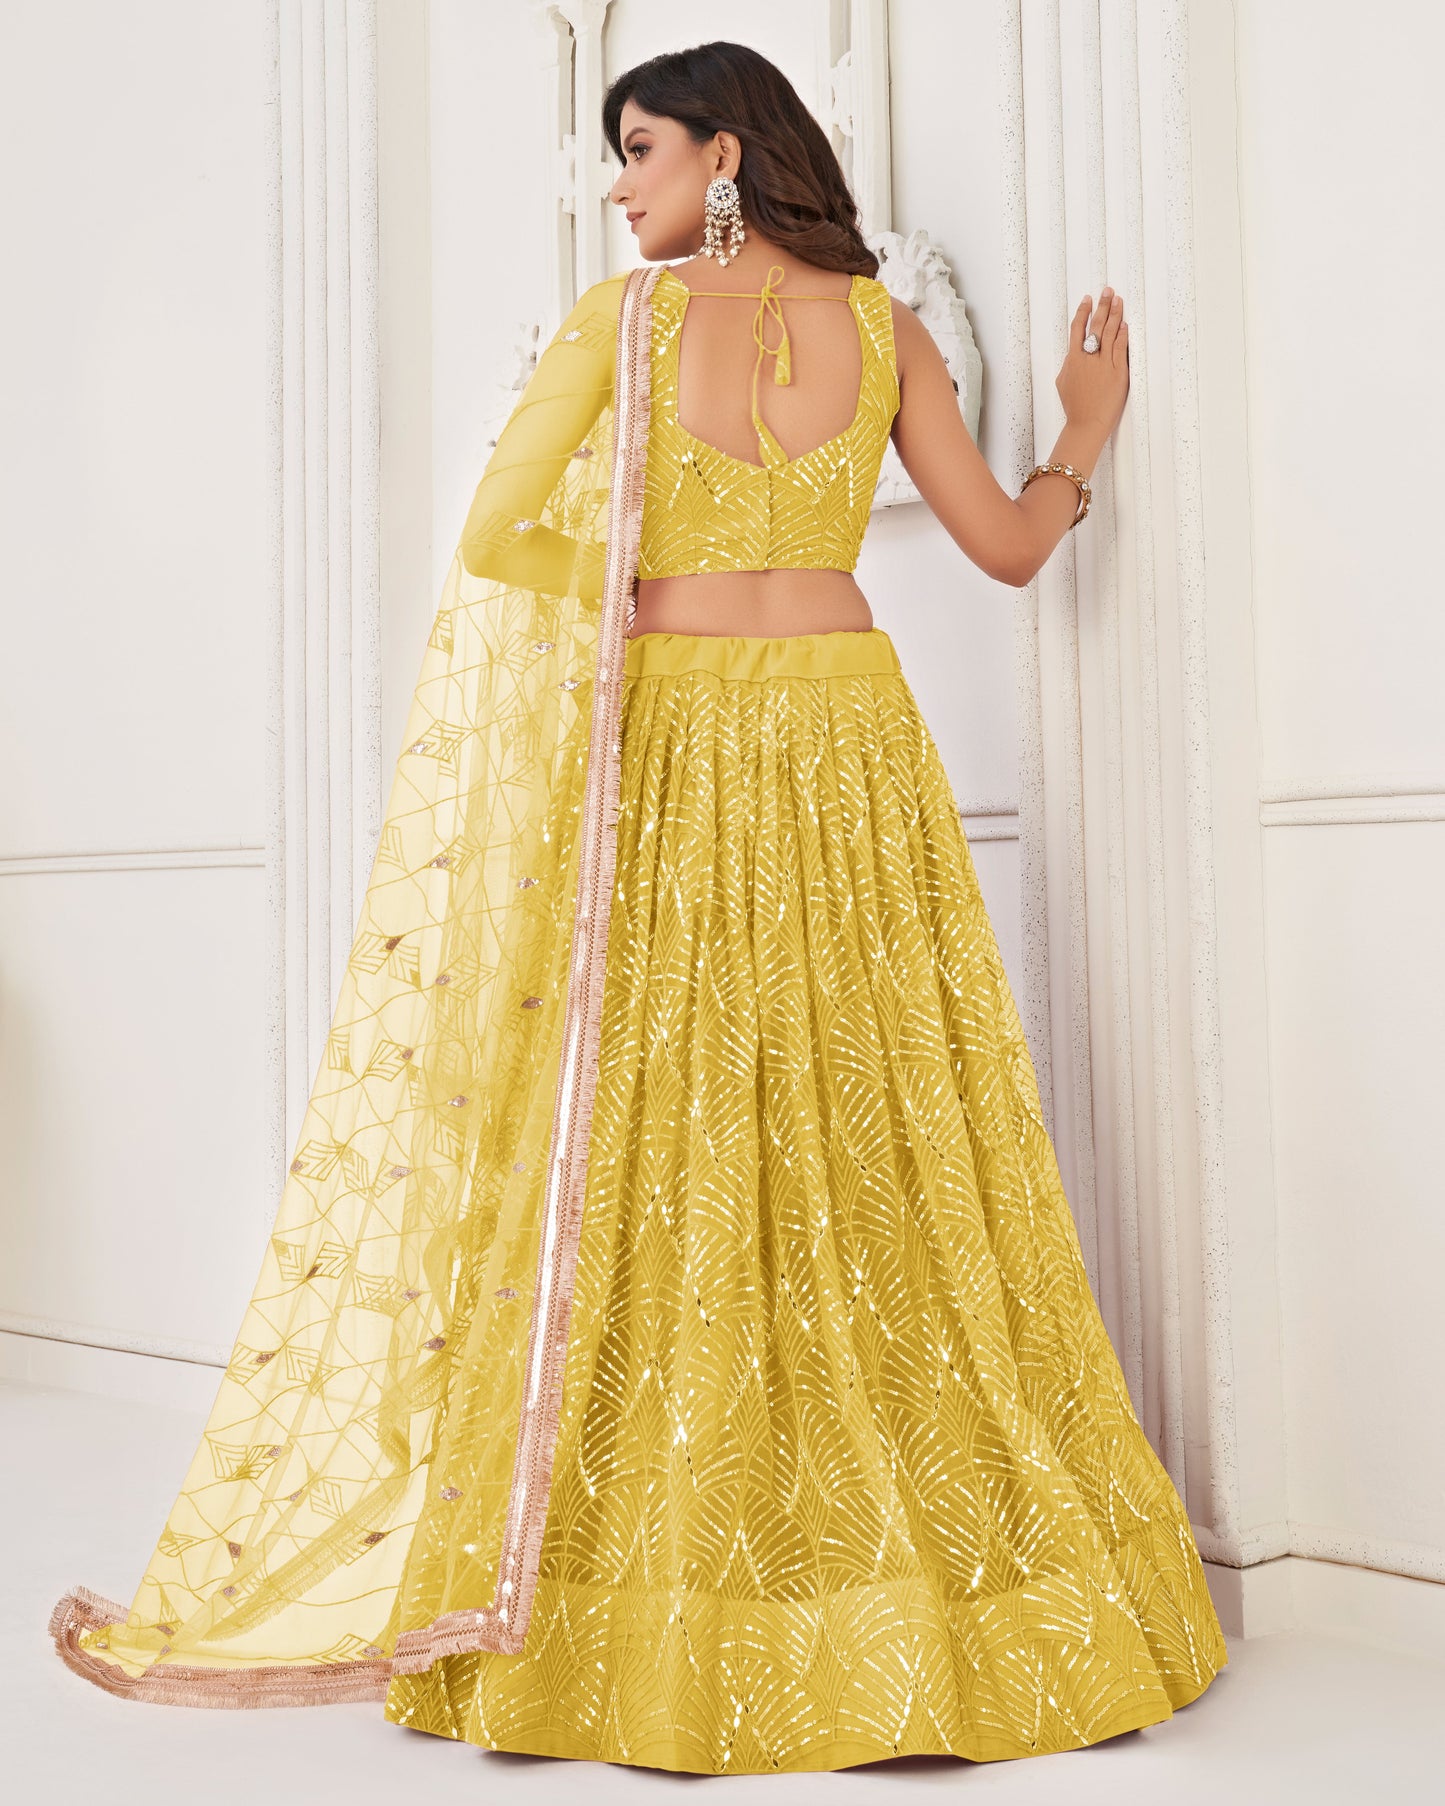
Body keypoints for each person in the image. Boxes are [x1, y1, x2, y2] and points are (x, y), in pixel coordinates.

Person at [50, 39, 1225, 1774]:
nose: (620, 184)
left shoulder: (623, 325)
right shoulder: (885, 328)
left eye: (639, 147)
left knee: (663, 1136)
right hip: (846, 738)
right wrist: (1082, 434)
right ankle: (911, 1588)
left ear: (726, 152)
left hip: (678, 741)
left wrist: (624, 572)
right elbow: (1004, 545)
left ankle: (653, 1585)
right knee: (873, 1126)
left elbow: (496, 541)